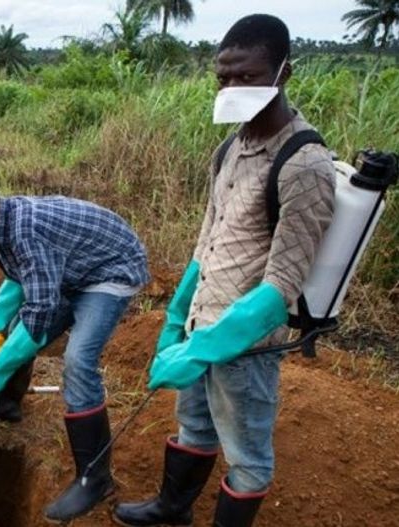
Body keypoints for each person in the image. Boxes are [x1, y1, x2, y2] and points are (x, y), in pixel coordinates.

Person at [113, 14, 335, 527]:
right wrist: (177, 320)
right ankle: (173, 510)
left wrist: (203, 348)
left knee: (248, 458)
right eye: (224, 77)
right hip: (202, 321)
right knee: (194, 426)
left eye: (247, 76)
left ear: (283, 73)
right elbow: (206, 242)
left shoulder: (304, 164)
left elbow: (283, 285)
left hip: (246, 348)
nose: (232, 87)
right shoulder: (230, 147)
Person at [0, 176, 150, 522]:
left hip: (110, 270)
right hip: (72, 269)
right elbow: (18, 282)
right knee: (14, 330)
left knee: (78, 360)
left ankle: (94, 478)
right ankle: (7, 406)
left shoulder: (25, 231)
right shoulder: (0, 225)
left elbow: (41, 309)